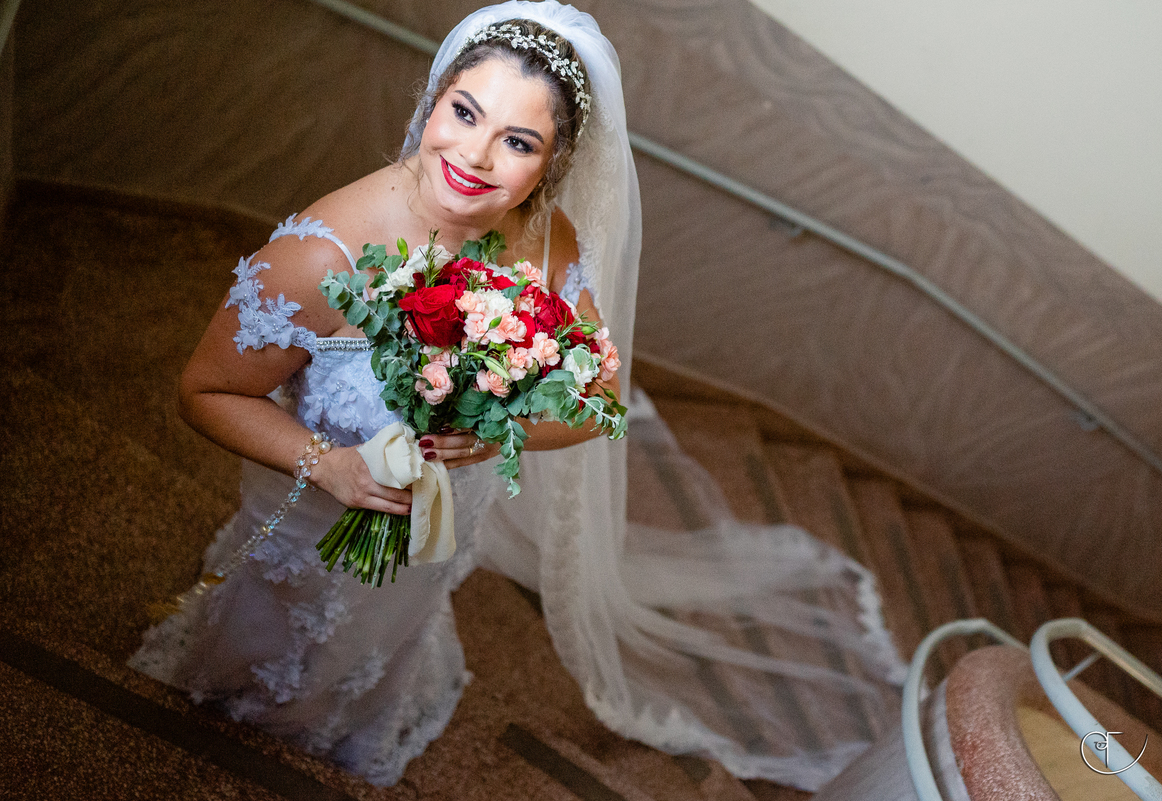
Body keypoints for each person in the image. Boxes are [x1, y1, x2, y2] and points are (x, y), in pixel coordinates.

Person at [133, 1, 907, 791]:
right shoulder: (319, 255)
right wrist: (326, 463)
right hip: (318, 521)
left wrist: (501, 432)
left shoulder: (546, 242)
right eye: (464, 112)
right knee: (271, 663)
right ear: (432, 101)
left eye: (518, 141)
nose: (473, 154)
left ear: (552, 164)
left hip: (438, 524)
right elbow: (204, 389)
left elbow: (602, 400)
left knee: (390, 625)